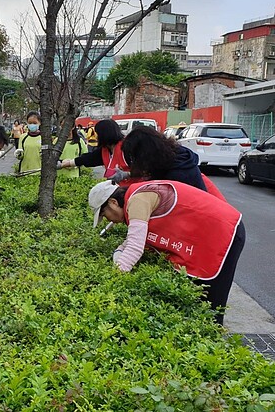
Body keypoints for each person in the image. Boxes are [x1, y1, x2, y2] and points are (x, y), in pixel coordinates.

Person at [88, 180, 245, 325]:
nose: (109, 221)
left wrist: (113, 281)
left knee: (211, 306)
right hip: (207, 236)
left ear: (113, 202)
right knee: (196, 299)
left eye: (104, 215)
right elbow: (135, 239)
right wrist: (119, 252)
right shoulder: (137, 196)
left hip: (225, 232)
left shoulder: (138, 200)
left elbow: (135, 247)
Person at [59, 119, 133, 185]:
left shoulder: (128, 147)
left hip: (135, 190)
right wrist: (67, 163)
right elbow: (88, 159)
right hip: (119, 188)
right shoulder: (105, 150)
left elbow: (143, 169)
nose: (97, 137)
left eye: (98, 134)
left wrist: (127, 174)